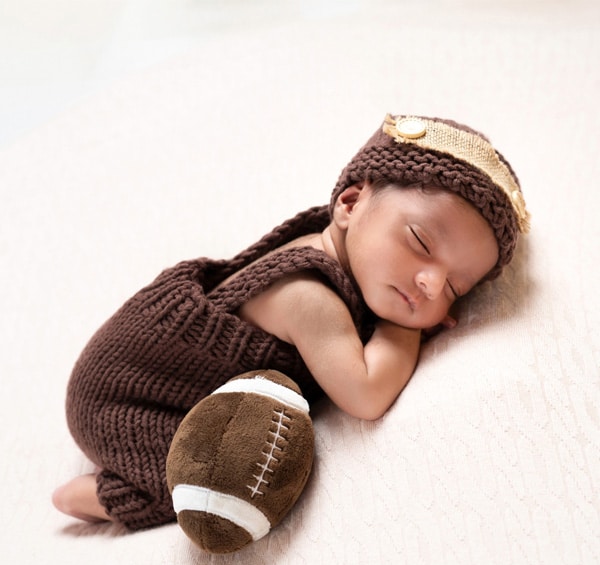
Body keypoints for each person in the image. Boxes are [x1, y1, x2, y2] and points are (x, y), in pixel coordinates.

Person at [52, 113, 530, 529]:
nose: (430, 282)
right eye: (421, 243)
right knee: (222, 484)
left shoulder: (350, 257)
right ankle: (98, 497)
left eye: (454, 288)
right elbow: (365, 393)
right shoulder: (308, 294)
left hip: (141, 370)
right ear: (349, 204)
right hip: (124, 400)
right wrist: (405, 327)